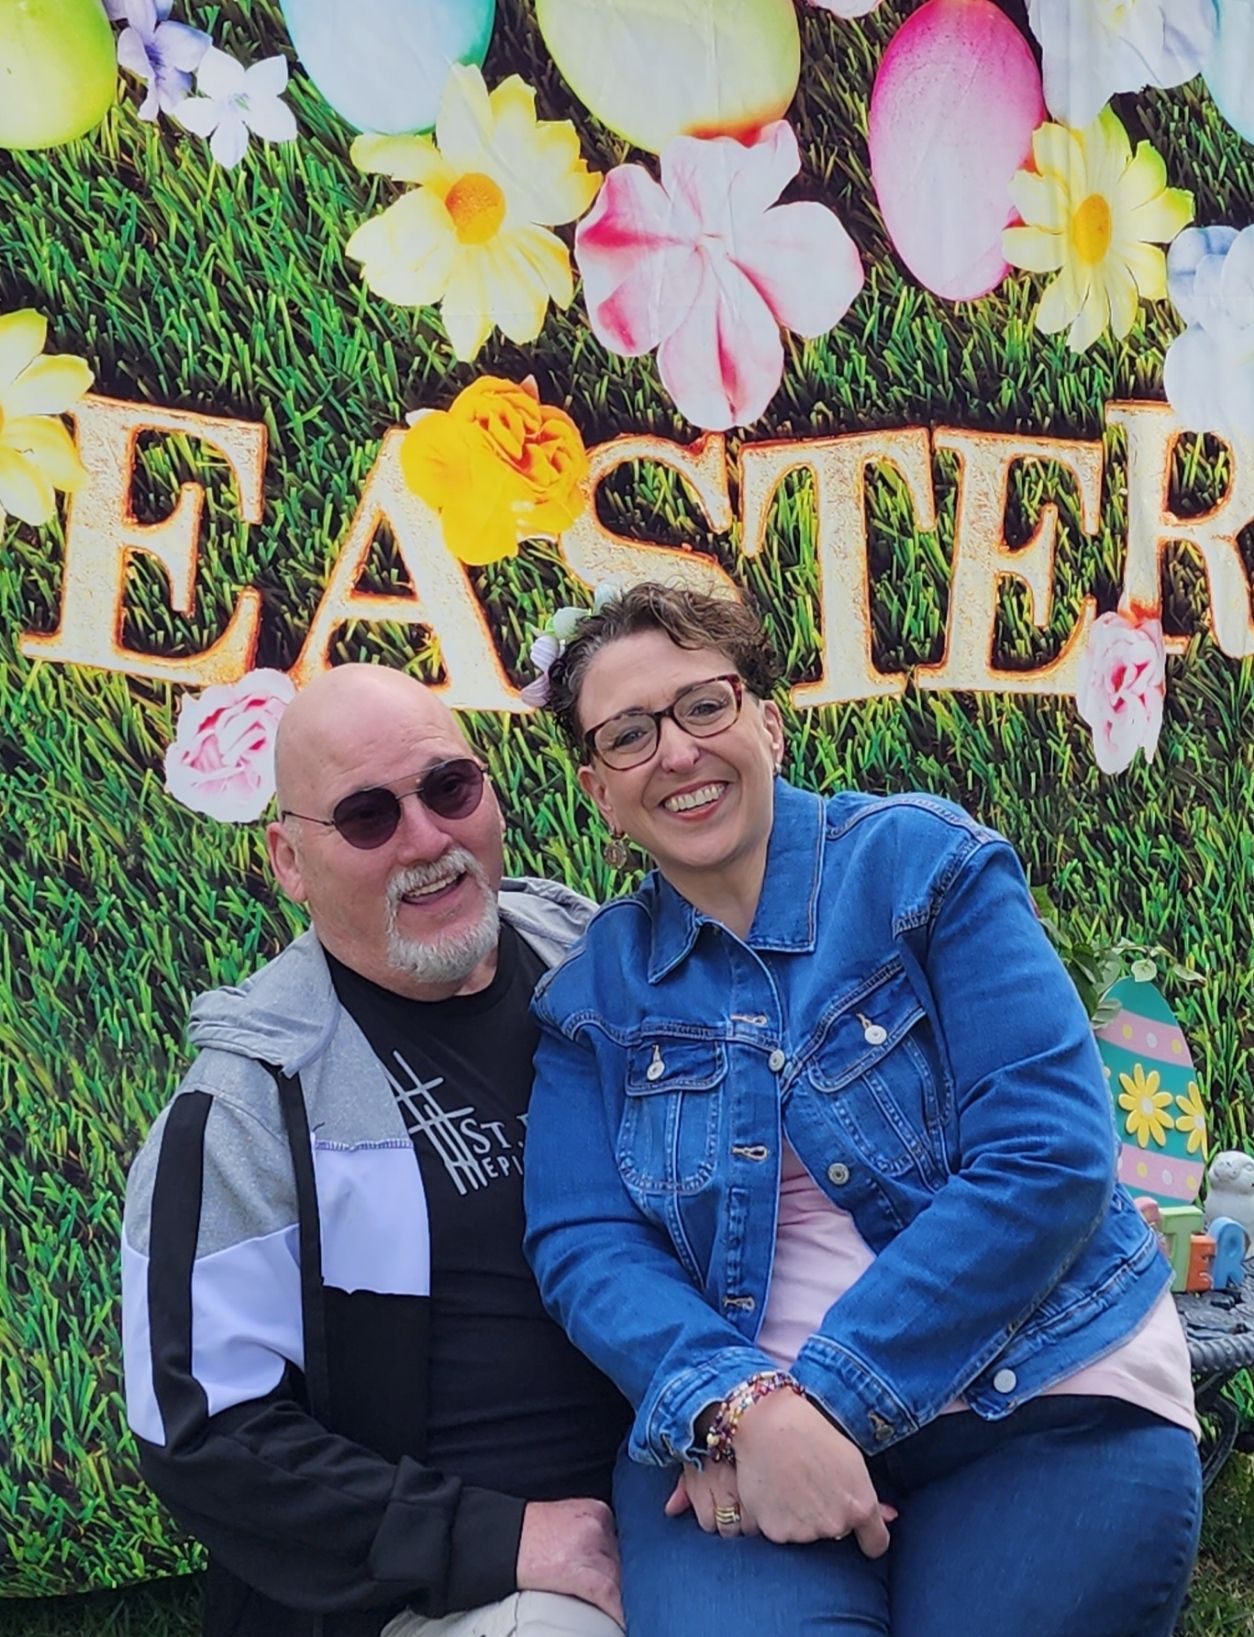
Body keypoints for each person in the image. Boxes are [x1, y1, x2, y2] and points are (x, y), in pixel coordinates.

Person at [522, 583, 1203, 1637]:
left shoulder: (924, 866)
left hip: (1042, 1394)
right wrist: (733, 1403)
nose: (678, 751)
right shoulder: (592, 1000)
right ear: (599, 790)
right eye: (629, 733)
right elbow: (585, 1243)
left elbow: (1048, 1151)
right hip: (740, 1433)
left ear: (767, 720)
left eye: (705, 705)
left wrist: (819, 1401)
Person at [121, 663, 629, 1637]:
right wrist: (493, 1537)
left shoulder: (602, 964)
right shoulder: (242, 1107)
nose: (427, 840)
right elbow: (202, 1432)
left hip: (681, 1492)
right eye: (366, 816)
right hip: (439, 1594)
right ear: (288, 858)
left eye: (449, 788)